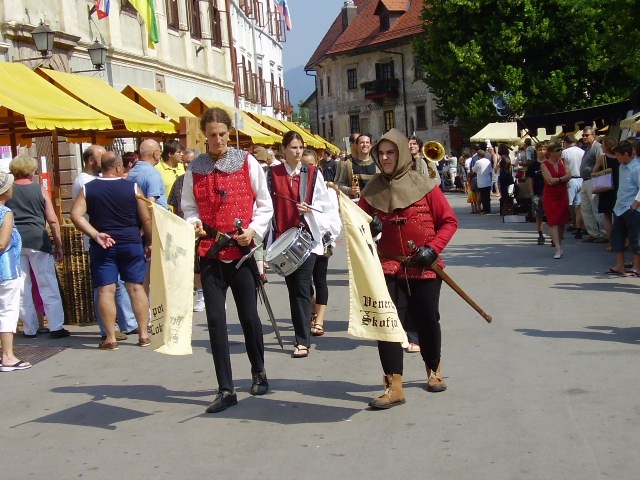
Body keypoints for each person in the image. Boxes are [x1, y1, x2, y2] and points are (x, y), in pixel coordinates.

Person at [181, 107, 273, 413]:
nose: (218, 140)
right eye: (212, 135)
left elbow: (265, 204)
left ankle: (258, 371)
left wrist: (253, 230)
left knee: (248, 316)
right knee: (215, 321)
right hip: (210, 252)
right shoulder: (195, 169)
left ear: (229, 132)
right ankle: (225, 388)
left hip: (242, 253)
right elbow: (189, 206)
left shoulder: (247, 162)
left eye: (222, 134)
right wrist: (193, 221)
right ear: (204, 136)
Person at [358, 128, 458, 409]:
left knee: (427, 319)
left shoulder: (425, 185)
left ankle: (434, 369)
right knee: (387, 325)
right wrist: (371, 229)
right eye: (382, 153)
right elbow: (358, 230)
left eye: (391, 152)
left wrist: (433, 249)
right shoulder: (371, 190)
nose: (386, 157)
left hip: (424, 266)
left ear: (401, 153)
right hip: (388, 266)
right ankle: (394, 385)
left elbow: (449, 221)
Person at [70, 153, 152, 350]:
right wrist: (148, 241)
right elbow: (146, 218)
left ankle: (110, 338)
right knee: (136, 288)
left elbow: (75, 215)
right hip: (131, 242)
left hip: (103, 245)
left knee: (106, 290)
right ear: (117, 168)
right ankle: (143, 334)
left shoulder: (88, 189)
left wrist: (95, 234)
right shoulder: (132, 187)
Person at [266, 131, 335, 358]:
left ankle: (301, 341)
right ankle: (303, 330)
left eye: (300, 147)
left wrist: (311, 210)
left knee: (302, 289)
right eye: (293, 147)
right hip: (282, 240)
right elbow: (265, 207)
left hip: (306, 239)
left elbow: (326, 206)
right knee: (293, 288)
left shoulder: (313, 174)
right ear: (284, 149)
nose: (297, 152)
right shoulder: (272, 175)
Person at [6, 154, 69, 339]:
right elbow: (52, 219)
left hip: (15, 240)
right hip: (38, 240)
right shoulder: (39, 189)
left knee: (22, 287)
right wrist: (58, 244)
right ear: (31, 170)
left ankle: (29, 328)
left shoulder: (8, 190)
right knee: (47, 283)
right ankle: (56, 326)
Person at [299, 149, 341, 337]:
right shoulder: (296, 188)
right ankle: (313, 307)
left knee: (320, 279)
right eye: (304, 166)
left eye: (311, 165)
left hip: (322, 239)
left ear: (317, 165)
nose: (308, 169)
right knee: (304, 282)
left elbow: (332, 218)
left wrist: (329, 236)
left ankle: (320, 320)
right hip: (303, 241)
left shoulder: (328, 190)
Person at [0, 172, 32, 372]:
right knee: (7, 311)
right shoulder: (5, 213)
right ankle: (8, 355)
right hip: (5, 269)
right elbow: (2, 243)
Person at [167, 148, 204, 312]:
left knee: (199, 265)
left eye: (190, 162)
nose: (187, 165)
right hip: (184, 228)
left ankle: (203, 296)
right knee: (185, 264)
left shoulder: (204, 179)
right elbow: (175, 205)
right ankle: (188, 296)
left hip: (202, 229)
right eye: (185, 162)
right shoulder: (180, 181)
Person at [606, 140, 640, 276]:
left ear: (626, 154)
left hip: (633, 209)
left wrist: (635, 205)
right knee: (617, 237)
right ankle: (620, 266)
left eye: (618, 155)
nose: (617, 158)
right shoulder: (621, 167)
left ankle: (636, 268)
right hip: (620, 207)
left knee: (636, 239)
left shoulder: (637, 168)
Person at [541, 140, 571, 259]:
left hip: (562, 194)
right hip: (550, 195)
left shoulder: (564, 162)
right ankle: (557, 248)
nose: (560, 151)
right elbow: (549, 180)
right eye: (557, 150)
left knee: (562, 221)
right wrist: (562, 179)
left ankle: (559, 243)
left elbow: (569, 176)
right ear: (551, 152)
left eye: (561, 149)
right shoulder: (544, 164)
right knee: (553, 221)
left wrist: (558, 180)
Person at [579, 127, 608, 243]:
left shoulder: (597, 147)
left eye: (587, 135)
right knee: (586, 209)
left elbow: (601, 162)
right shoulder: (587, 148)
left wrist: (597, 179)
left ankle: (604, 233)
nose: (585, 137)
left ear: (593, 135)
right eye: (583, 135)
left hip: (593, 180)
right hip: (585, 180)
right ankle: (593, 233)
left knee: (596, 208)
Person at [593, 136, 620, 248]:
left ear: (606, 146)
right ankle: (623, 241)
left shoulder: (602, 158)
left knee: (607, 217)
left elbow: (594, 172)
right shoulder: (619, 157)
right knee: (618, 217)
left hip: (606, 188)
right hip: (618, 188)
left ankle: (612, 242)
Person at [127, 139, 168, 209]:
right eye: (160, 151)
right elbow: (150, 205)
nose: (161, 154)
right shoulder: (153, 174)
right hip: (156, 218)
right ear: (155, 153)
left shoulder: (132, 172)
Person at [335, 133, 377, 198]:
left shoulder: (378, 164)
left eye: (367, 142)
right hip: (356, 205)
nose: (365, 145)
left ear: (371, 145)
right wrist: (349, 190)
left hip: (375, 204)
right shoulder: (348, 164)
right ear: (356, 145)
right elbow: (339, 185)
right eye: (362, 143)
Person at [561, 135, 585, 238]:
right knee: (579, 205)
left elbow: (563, 166)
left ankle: (573, 223)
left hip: (570, 179)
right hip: (582, 178)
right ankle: (580, 225)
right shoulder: (582, 151)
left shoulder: (565, 152)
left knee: (570, 203)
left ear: (566, 142)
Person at [526, 142, 548, 245]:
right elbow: (530, 179)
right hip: (538, 192)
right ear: (536, 151)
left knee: (550, 215)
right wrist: (531, 193)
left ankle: (553, 236)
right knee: (539, 215)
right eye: (540, 149)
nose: (542, 151)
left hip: (549, 193)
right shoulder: (533, 165)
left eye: (544, 149)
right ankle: (540, 234)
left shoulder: (549, 163)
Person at [156, 139, 185, 208]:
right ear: (170, 154)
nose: (182, 154)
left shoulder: (182, 167)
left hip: (182, 211)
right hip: (166, 211)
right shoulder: (157, 169)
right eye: (179, 152)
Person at [472, 150, 492, 214]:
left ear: (478, 156)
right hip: (488, 181)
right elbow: (490, 171)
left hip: (481, 182)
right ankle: (488, 209)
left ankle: (485, 210)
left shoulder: (478, 162)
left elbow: (474, 170)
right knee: (487, 197)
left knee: (483, 197)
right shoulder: (488, 161)